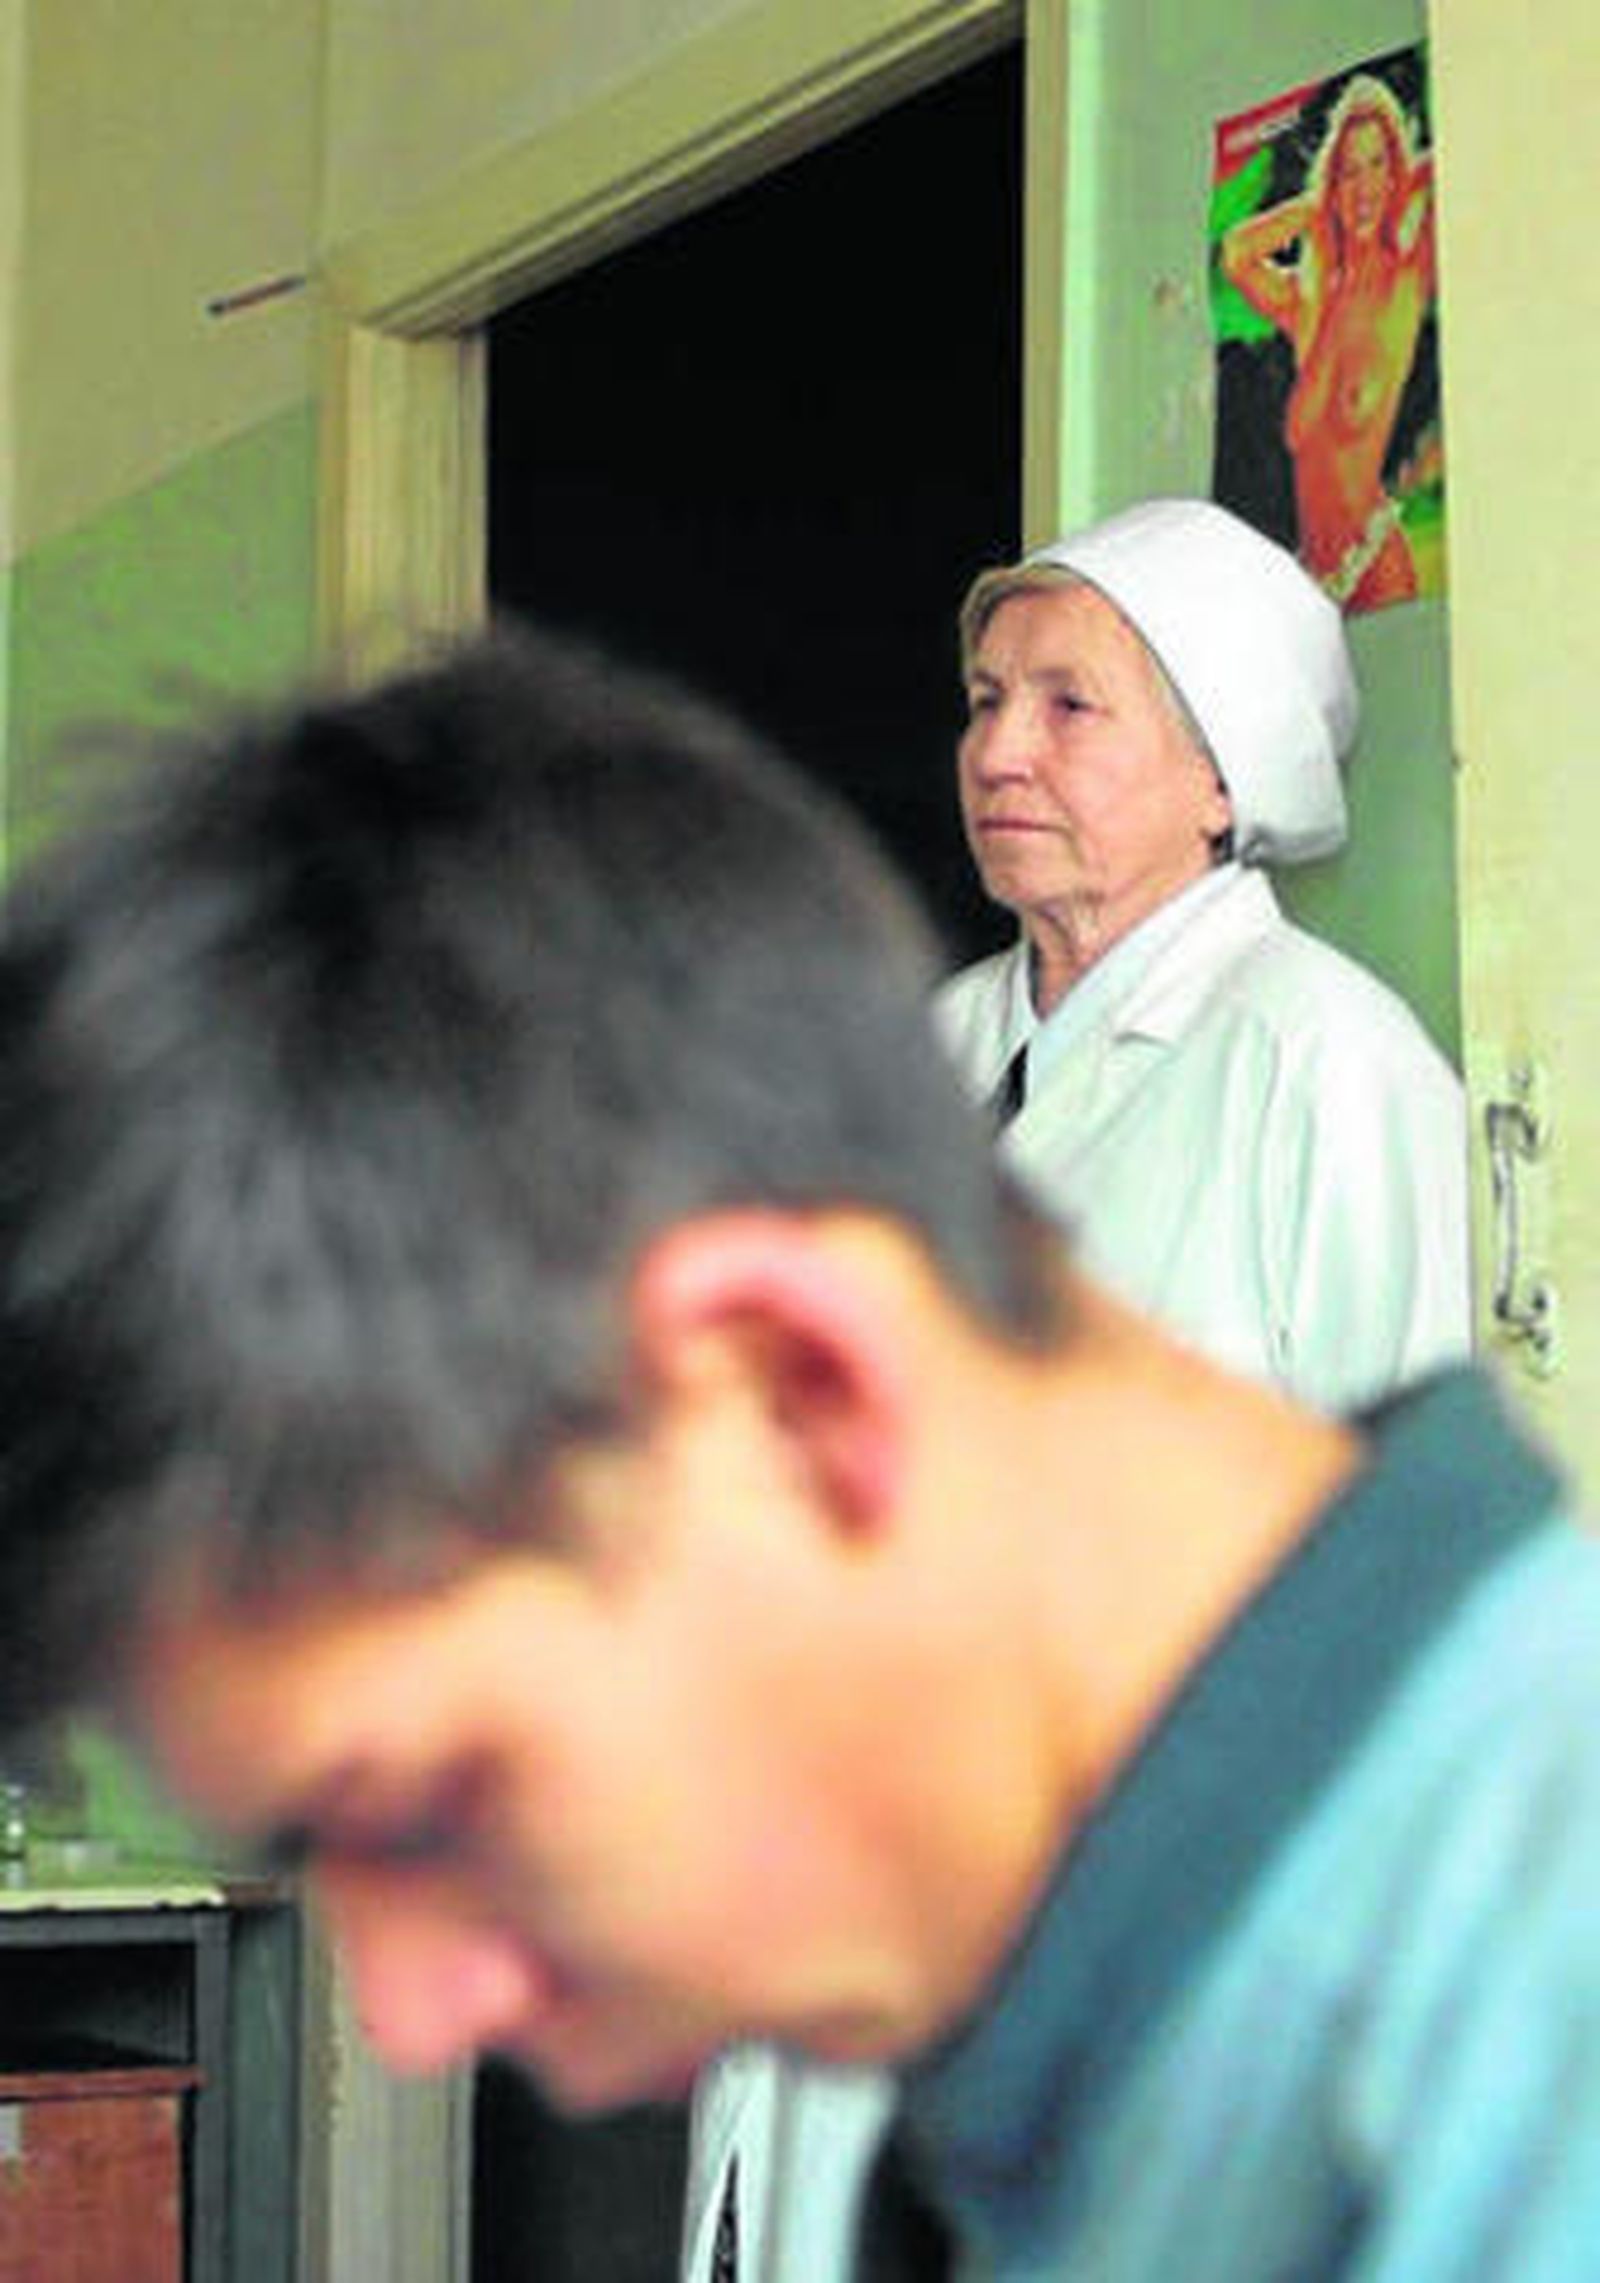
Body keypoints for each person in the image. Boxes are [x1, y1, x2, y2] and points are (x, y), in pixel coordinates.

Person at [5, 627, 1595, 2283]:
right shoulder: (1068, 2069)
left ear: (801, 1388)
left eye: (433, 1804)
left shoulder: (1524, 2051)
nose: (410, 2012)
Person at [685, 495, 1472, 2279]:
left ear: (1222, 774)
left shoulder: (1325, 1070)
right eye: (982, 699)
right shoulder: (931, 1052)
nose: (996, 749)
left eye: (1068, 705)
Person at [1220, 73, 1436, 610]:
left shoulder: (1406, 277)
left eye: (1377, 165)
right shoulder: (1307, 301)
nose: (1363, 187)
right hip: (1310, 577)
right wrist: (1317, 206)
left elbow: (1460, 157)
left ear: (1396, 172)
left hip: (1374, 567)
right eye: (1349, 170)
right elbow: (1238, 253)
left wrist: (1397, 182)